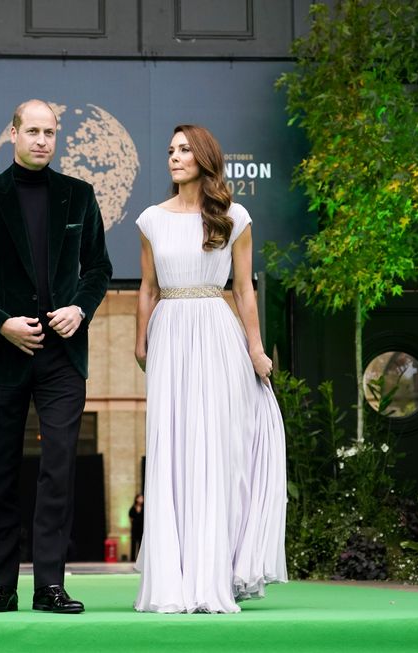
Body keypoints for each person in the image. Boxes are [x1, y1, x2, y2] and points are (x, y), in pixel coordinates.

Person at [0, 99, 112, 614]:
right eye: (32, 130)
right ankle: (2, 587)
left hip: (64, 356)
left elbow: (98, 270)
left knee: (58, 470)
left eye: (50, 132)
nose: (42, 140)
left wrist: (80, 310)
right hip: (2, 355)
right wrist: (0, 323)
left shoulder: (80, 197)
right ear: (13, 134)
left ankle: (50, 586)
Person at [133, 124, 288, 613]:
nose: (174, 158)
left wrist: (256, 349)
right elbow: (147, 289)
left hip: (218, 334)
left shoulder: (234, 217)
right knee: (173, 449)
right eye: (170, 150)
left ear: (204, 157)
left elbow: (244, 289)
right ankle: (174, 580)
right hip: (170, 335)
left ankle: (217, 572)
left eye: (183, 150)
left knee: (219, 448)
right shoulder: (151, 220)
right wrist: (141, 343)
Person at [128, 493, 144, 562]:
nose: (141, 499)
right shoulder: (133, 508)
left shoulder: (144, 508)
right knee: (133, 543)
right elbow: (130, 518)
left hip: (141, 528)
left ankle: (140, 559)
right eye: (140, 498)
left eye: (142, 498)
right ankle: (132, 559)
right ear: (136, 499)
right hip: (135, 528)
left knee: (141, 544)